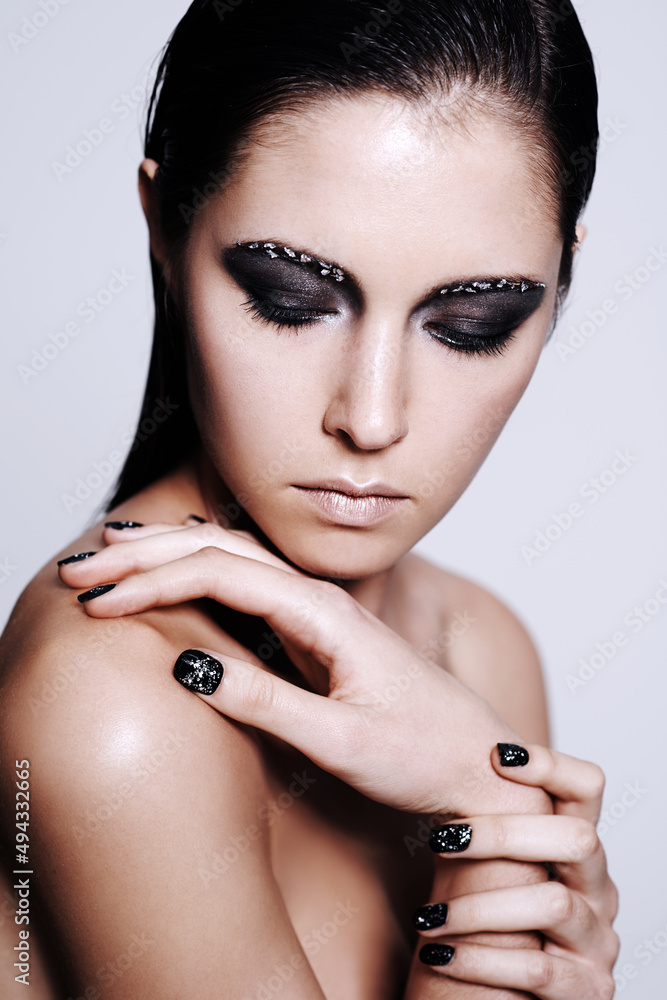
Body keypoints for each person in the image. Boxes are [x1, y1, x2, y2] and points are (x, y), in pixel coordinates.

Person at [0, 1, 618, 997]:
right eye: (291, 299)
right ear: (166, 226)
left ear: (559, 282)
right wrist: (493, 827)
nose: (371, 418)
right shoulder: (114, 700)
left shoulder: (480, 644)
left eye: (470, 322)